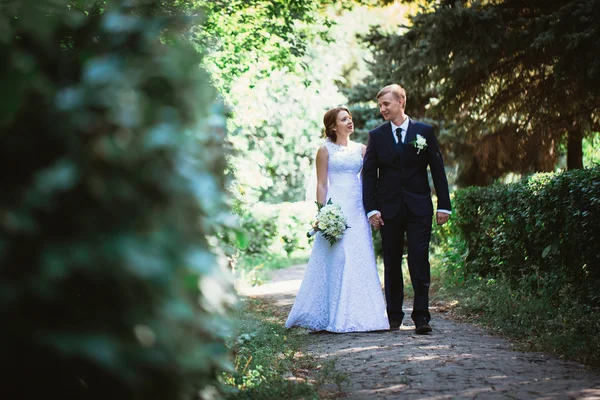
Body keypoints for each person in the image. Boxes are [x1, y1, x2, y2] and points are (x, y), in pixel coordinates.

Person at [285, 107, 389, 333]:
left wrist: (373, 208)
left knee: (359, 258)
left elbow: (371, 180)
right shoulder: (324, 151)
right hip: (336, 209)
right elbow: (322, 184)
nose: (350, 122)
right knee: (339, 258)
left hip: (357, 209)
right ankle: (334, 314)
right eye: (344, 119)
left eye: (350, 118)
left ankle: (366, 315)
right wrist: (323, 214)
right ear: (333, 126)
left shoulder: (362, 150)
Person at [362, 84, 451, 335]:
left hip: (419, 207)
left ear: (401, 102)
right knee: (391, 263)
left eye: (386, 104)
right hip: (387, 210)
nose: (382, 109)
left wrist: (444, 205)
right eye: (380, 105)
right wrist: (371, 209)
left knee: (419, 259)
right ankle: (393, 316)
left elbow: (437, 169)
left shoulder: (424, 132)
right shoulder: (377, 136)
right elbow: (369, 175)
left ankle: (422, 316)